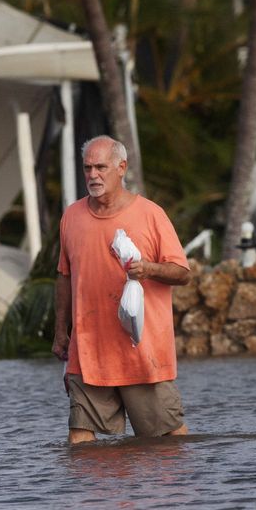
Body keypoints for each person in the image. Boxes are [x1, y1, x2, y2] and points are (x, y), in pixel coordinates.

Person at [53, 135, 191, 444]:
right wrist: (61, 331)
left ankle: (164, 494)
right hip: (88, 351)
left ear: (121, 168)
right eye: (87, 168)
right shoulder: (71, 217)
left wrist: (149, 268)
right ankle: (94, 495)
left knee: (170, 442)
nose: (93, 175)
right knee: (79, 443)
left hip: (141, 352)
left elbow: (182, 273)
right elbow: (63, 276)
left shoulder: (150, 214)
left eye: (101, 167)